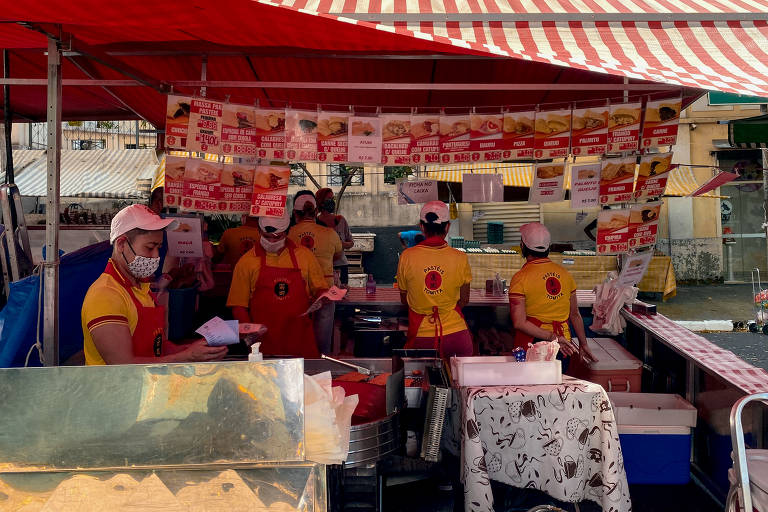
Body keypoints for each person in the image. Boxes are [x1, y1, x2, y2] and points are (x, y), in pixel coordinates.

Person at [81, 204, 228, 365]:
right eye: (150, 247)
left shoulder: (142, 289)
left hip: (146, 386)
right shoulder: (105, 295)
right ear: (121, 244)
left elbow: (158, 348)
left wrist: (194, 349)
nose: (156, 256)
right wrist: (187, 357)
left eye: (159, 247)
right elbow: (121, 365)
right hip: (116, 389)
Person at [227, 214, 328, 358]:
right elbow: (238, 305)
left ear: (287, 233)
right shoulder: (246, 262)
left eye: (277, 237)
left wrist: (325, 296)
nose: (271, 241)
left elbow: (320, 288)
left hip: (300, 338)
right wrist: (250, 332)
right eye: (267, 236)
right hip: (264, 342)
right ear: (259, 232)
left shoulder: (305, 256)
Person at [508, 222, 597, 365]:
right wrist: (583, 343)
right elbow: (574, 314)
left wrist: (551, 337)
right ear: (548, 248)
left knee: (533, 386)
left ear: (523, 246)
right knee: (557, 383)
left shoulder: (520, 278)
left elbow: (519, 322)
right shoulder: (565, 274)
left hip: (535, 344)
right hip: (563, 344)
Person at [396, 201, 473, 358]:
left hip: (421, 336)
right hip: (457, 335)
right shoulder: (460, 257)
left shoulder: (407, 256)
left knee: (421, 381)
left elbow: (405, 300)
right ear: (447, 227)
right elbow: (464, 299)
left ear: (422, 227)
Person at [288, 192, 343, 354]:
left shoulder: (288, 234)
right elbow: (338, 256)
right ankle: (321, 370)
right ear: (316, 210)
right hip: (326, 291)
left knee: (298, 337)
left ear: (295, 213)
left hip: (298, 291)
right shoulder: (329, 233)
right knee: (323, 341)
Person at [315, 187, 354, 285]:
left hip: (341, 265)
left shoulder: (341, 220)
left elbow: (351, 243)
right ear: (320, 202)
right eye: (328, 199)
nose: (331, 202)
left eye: (332, 199)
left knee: (342, 294)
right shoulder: (315, 223)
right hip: (322, 267)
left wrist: (340, 244)